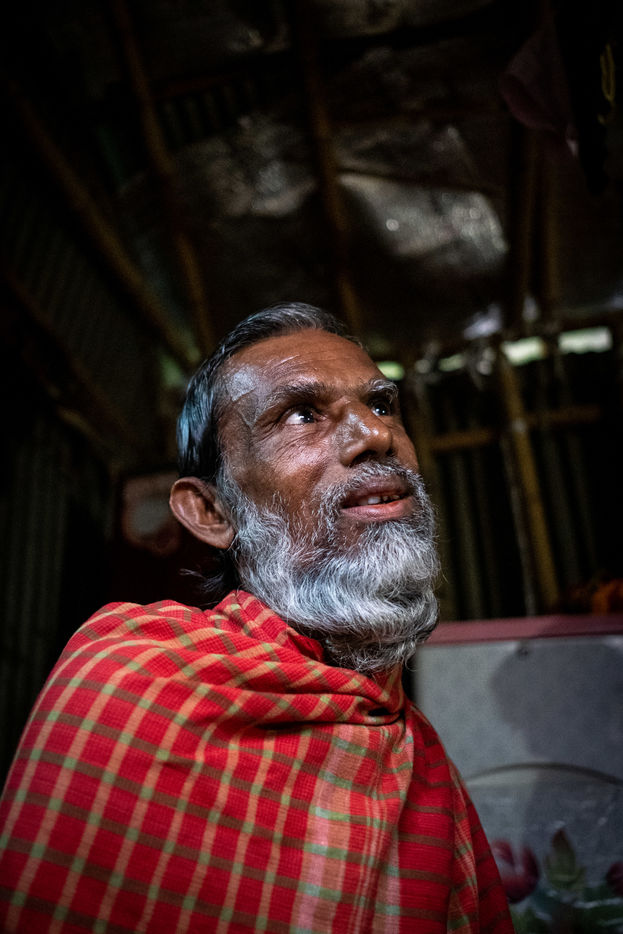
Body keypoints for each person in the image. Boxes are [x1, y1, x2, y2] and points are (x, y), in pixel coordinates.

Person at [0, 303, 513, 933]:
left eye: (382, 405)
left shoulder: (424, 765)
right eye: (301, 414)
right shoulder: (136, 676)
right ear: (213, 513)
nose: (376, 435)